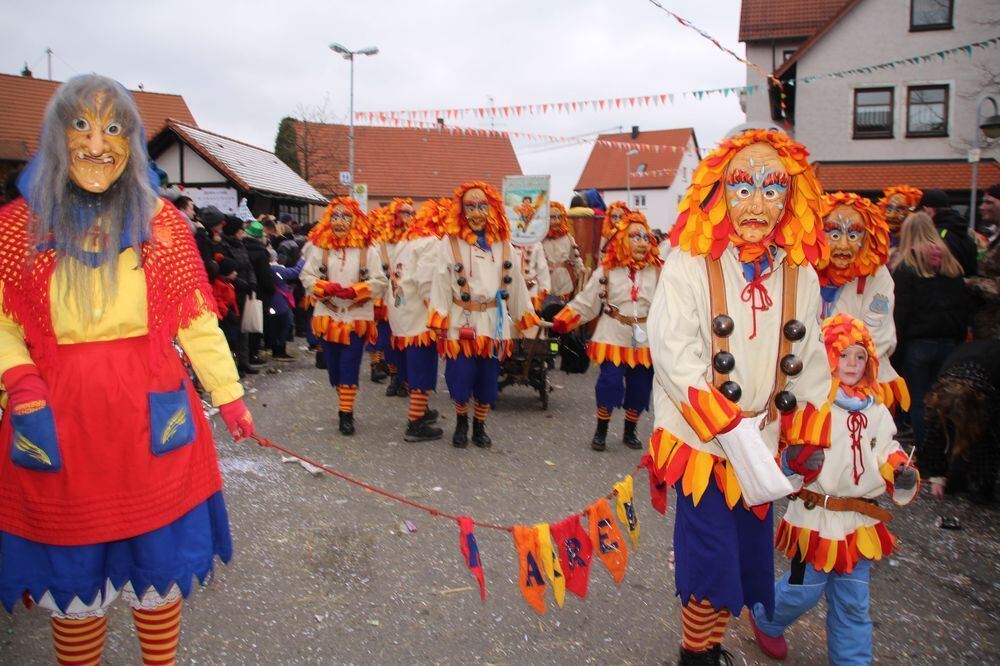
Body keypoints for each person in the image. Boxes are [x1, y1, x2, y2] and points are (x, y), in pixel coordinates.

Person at [0, 74, 254, 664]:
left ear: (133, 141)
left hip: (152, 416)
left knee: (157, 570)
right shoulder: (18, 226)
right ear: (57, 137)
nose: (96, 142)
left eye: (113, 127)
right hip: (58, 418)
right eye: (81, 125)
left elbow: (195, 319)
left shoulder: (162, 222)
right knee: (75, 576)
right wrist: (20, 380)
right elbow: (3, 322)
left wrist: (231, 394)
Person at [647, 129, 832, 664]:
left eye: (772, 190)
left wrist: (802, 436)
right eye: (743, 187)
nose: (757, 203)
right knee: (711, 560)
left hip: (763, 449)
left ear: (790, 199)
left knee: (745, 561)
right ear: (719, 192)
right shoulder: (688, 262)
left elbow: (812, 363)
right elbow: (673, 351)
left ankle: (708, 647)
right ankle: (696, 655)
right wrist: (724, 424)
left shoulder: (801, 273)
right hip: (703, 443)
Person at [749, 314, 919, 664]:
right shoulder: (811, 405)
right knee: (801, 590)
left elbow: (887, 449)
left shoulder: (877, 411)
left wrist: (899, 470)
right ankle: (765, 618)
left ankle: (852, 660)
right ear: (828, 357)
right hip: (812, 523)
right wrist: (794, 460)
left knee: (854, 602)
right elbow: (781, 451)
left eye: (860, 357)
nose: (853, 365)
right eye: (844, 356)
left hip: (858, 524)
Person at [427, 182, 539, 448]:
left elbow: (516, 283)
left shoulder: (503, 244)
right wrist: (438, 319)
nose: (476, 213)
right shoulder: (450, 243)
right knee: (460, 375)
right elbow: (440, 282)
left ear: (492, 209)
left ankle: (479, 426)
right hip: (461, 320)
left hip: (493, 322)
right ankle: (461, 422)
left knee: (488, 378)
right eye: (470, 206)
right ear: (461, 210)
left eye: (481, 206)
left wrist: (525, 316)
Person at [552, 210, 662, 451]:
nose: (642, 242)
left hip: (645, 338)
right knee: (609, 383)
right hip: (613, 333)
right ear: (622, 240)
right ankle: (601, 430)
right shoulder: (607, 269)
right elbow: (587, 301)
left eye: (645, 237)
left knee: (641, 386)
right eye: (635, 237)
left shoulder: (658, 271)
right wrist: (565, 319)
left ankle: (630, 431)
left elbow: (672, 306)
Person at [300, 197, 388, 435]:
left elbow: (380, 281)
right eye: (336, 217)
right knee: (335, 369)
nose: (340, 222)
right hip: (327, 316)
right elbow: (305, 277)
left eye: (345, 217)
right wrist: (323, 287)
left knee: (350, 364)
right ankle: (343, 401)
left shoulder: (368, 250)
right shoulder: (320, 248)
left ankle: (345, 414)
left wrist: (355, 291)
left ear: (355, 219)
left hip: (356, 317)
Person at [815, 192, 908, 410]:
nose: (844, 246)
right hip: (814, 383)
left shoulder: (876, 275)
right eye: (834, 235)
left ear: (867, 237)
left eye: (854, 236)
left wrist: (846, 369)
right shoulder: (805, 269)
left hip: (864, 386)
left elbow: (878, 333)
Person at [890, 212, 972, 452]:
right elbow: (963, 306)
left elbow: (901, 312)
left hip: (917, 344)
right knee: (946, 402)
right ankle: (948, 449)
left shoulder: (906, 267)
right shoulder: (951, 265)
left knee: (919, 402)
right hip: (949, 343)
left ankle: (927, 453)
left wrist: (896, 350)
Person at [387, 197, 450, 442]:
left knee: (411, 368)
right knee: (422, 369)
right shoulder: (432, 243)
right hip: (419, 317)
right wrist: (437, 314)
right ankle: (415, 424)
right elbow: (427, 283)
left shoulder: (405, 240)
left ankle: (421, 411)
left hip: (401, 315)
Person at [921, 339, 1000, 504]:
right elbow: (935, 432)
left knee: (984, 436)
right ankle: (959, 479)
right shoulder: (941, 395)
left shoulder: (987, 397)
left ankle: (981, 485)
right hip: (969, 366)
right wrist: (937, 476)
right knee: (942, 425)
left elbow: (990, 438)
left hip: (991, 379)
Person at [967, 184, 1000, 340]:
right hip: (987, 329)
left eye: (989, 202)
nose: (982, 207)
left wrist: (969, 282)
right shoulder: (993, 237)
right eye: (982, 202)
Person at [919, 189, 977, 276]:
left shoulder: (936, 235)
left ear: (927, 210)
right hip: (967, 285)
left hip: (945, 285)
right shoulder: (966, 232)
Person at [244, 220, 275, 366]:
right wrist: (271, 289)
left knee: (244, 324)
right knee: (256, 321)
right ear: (260, 238)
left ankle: (245, 354)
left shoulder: (241, 246)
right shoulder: (261, 252)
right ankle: (253, 353)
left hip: (244, 288)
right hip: (260, 292)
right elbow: (265, 275)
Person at [542, 201, 585, 301]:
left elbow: (576, 259)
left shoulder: (568, 238)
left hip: (564, 283)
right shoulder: (541, 239)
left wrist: (582, 271)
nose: (557, 221)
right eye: (553, 217)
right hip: (545, 282)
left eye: (559, 217)